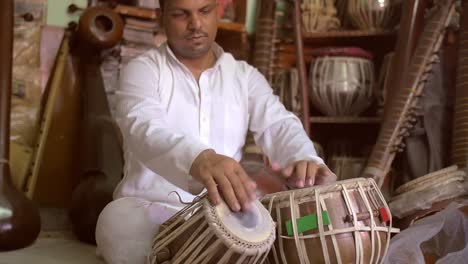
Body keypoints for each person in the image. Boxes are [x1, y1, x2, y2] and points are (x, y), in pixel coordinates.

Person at [95, 0, 336, 263]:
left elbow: (278, 123)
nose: (195, 24)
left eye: (205, 11)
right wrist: (198, 158)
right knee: (116, 221)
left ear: (217, 12)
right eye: (180, 14)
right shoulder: (142, 70)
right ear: (160, 16)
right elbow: (142, 127)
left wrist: (303, 158)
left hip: (228, 215)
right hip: (153, 211)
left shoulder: (244, 76)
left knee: (305, 225)